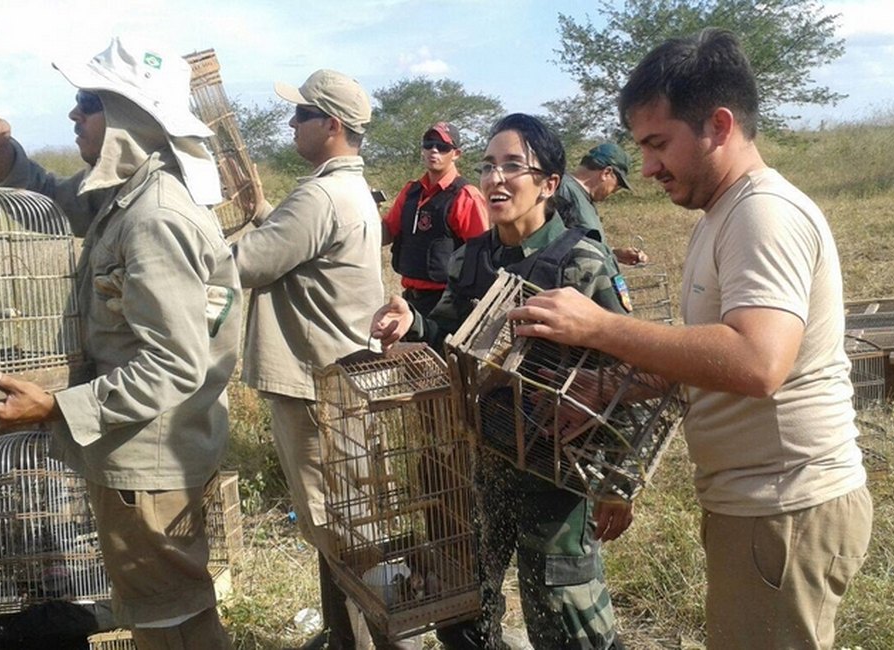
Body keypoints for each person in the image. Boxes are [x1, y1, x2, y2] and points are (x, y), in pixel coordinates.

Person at [509, 29, 873, 649]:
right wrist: (613, 387)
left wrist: (600, 328)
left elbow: (760, 361)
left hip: (783, 507)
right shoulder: (722, 214)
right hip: (756, 506)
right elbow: (715, 351)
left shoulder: (764, 214)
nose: (647, 167)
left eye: (657, 144)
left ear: (720, 125)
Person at [0, 37, 240, 650]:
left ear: (130, 119)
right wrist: (2, 149)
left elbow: (173, 363)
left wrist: (56, 406)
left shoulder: (155, 216)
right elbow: (48, 203)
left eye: (87, 103)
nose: (74, 117)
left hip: (152, 459)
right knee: (172, 609)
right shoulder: (127, 197)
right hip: (142, 451)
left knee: (168, 620)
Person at [371, 113, 632, 650]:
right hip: (479, 457)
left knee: (563, 616)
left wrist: (617, 481)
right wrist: (410, 319)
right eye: (489, 166)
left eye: (513, 166)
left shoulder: (580, 262)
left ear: (549, 184)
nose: (495, 179)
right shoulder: (472, 258)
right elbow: (446, 326)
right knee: (463, 602)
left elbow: (626, 369)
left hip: (557, 468)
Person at [230, 69, 417, 650]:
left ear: (330, 125)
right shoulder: (348, 188)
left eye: (301, 115)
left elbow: (247, 264)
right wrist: (264, 210)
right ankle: (351, 638)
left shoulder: (318, 195)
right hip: (344, 379)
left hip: (318, 383)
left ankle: (393, 638)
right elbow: (299, 248)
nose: (292, 124)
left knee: (340, 528)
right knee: (352, 520)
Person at [382, 122, 489, 316]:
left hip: (447, 303)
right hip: (410, 299)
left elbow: (483, 254)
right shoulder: (411, 191)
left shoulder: (465, 196)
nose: (434, 150)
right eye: (428, 144)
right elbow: (386, 231)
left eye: (442, 147)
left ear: (456, 154)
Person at [554, 143, 648, 265]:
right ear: (606, 173)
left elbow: (582, 244)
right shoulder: (563, 190)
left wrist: (614, 254)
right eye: (617, 186)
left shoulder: (583, 196)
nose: (614, 191)